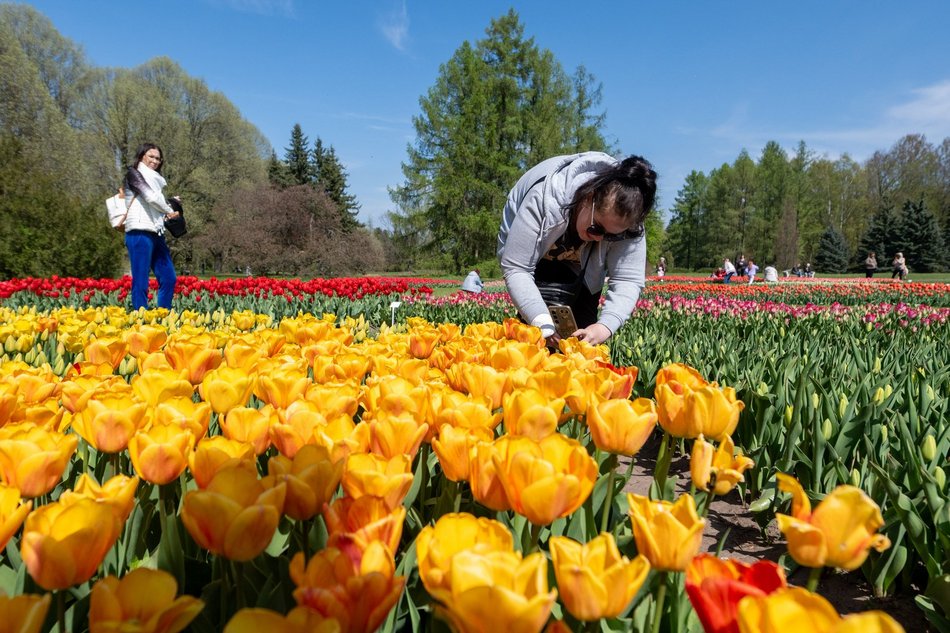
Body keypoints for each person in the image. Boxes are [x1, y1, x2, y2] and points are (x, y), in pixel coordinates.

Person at [497, 152, 657, 346]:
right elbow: (517, 267)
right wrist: (541, 322)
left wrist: (604, 327)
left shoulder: (630, 219)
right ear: (589, 197)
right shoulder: (546, 197)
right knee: (533, 336)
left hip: (585, 265)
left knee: (584, 338)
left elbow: (628, 279)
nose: (599, 238)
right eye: (596, 227)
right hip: (535, 250)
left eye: (612, 236)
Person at [122, 143, 180, 310]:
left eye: (158, 158)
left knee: (168, 277)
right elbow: (150, 197)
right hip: (139, 231)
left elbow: (155, 199)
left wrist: (172, 203)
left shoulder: (156, 180)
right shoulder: (134, 174)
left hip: (156, 232)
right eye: (151, 157)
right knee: (141, 279)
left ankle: (163, 315)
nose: (155, 161)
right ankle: (140, 318)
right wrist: (170, 210)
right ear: (142, 157)